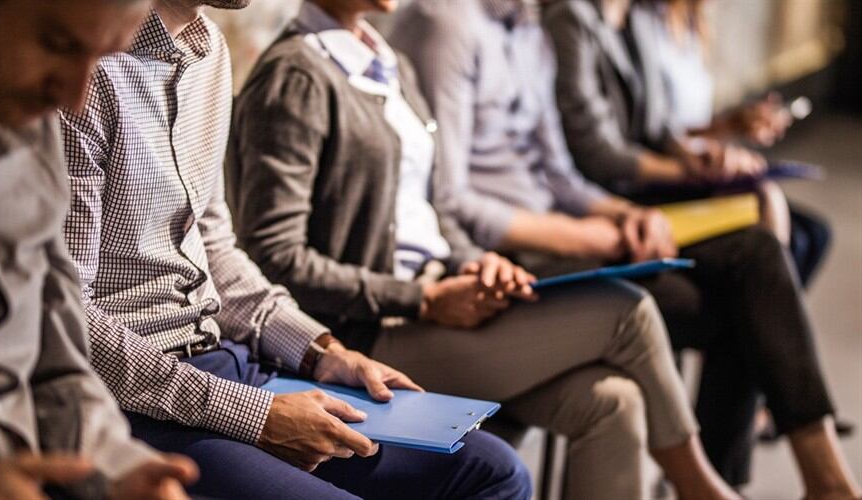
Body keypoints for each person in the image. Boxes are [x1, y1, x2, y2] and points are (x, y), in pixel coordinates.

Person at [227, 1, 740, 499]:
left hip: (438, 296)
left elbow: (433, 212)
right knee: (631, 312)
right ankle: (699, 486)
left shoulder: (387, 59)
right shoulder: (295, 75)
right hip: (370, 330)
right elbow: (275, 256)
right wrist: (422, 298)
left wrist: (475, 262)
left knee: (612, 401)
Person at [58, 0, 532, 498]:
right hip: (136, 397)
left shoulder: (210, 51)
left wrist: (320, 351)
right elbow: (68, 320)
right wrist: (253, 415)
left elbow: (216, 247)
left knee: (493, 468)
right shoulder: (85, 73)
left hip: (224, 357)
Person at [391, 1, 862, 499]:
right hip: (511, 254)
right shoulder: (450, 24)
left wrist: (622, 214)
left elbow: (560, 173)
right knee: (743, 302)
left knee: (756, 257)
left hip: (562, 223)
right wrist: (597, 235)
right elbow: (452, 200)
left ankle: (802, 479)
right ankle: (740, 484)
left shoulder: (528, 26)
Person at [0, 0, 200, 499]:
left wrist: (121, 468)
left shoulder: (31, 134)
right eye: (57, 45)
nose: (74, 99)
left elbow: (59, 366)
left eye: (101, 58)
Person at [547, 0, 830, 287]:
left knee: (797, 221)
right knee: (763, 225)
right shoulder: (571, 18)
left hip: (649, 176)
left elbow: (658, 123)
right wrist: (689, 170)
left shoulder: (637, 17)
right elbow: (597, 153)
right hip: (615, 189)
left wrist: (698, 158)